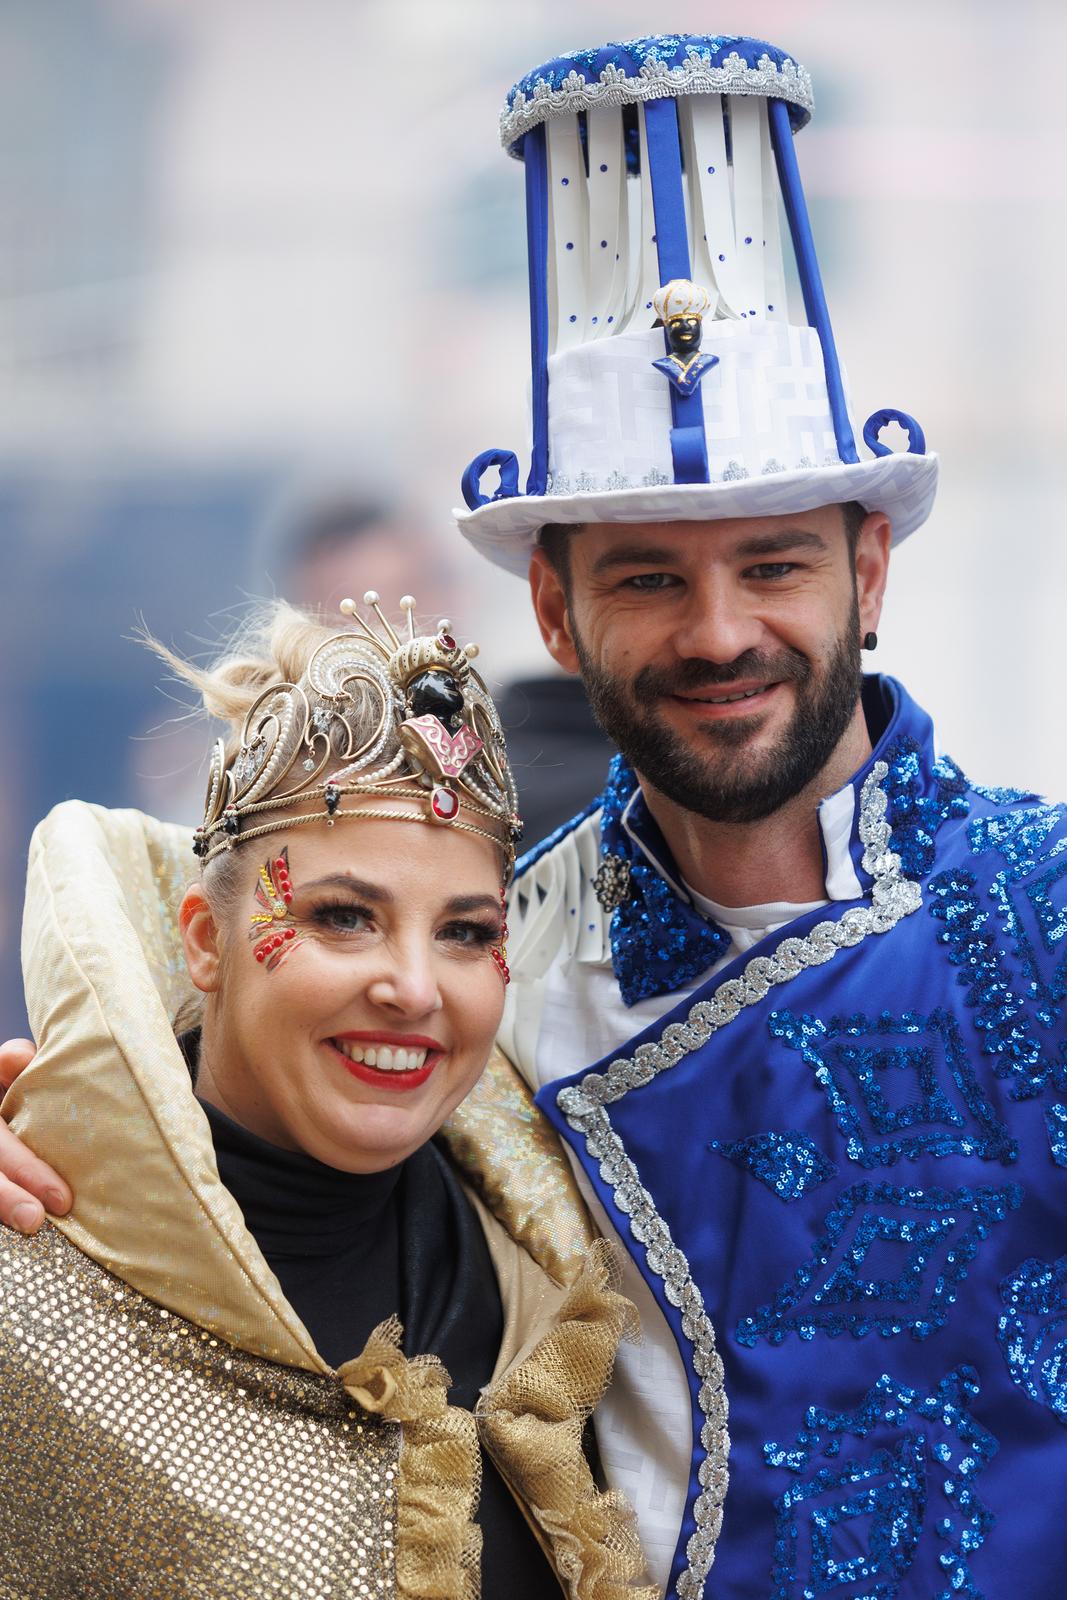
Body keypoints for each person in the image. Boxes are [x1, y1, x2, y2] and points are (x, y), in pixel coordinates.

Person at [5, 28, 1065, 1599]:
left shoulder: (1040, 915)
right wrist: (48, 1142)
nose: (716, 632)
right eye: (645, 579)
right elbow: (219, 1150)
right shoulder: (493, 974)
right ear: (557, 617)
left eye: (771, 564)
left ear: (867, 572)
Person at [0, 591, 654, 1598]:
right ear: (205, 941)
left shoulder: (568, 1254)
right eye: (345, 916)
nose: (414, 988)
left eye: (466, 932)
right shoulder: (32, 1278)